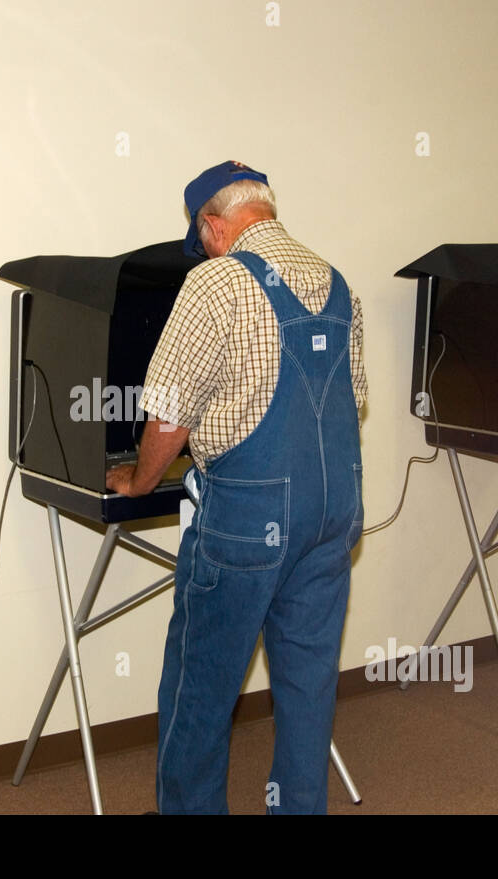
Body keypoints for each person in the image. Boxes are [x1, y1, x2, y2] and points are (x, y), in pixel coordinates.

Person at [106, 161, 365, 813]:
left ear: (213, 226)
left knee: (201, 685)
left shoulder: (216, 280)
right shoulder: (338, 285)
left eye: (203, 235)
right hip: (333, 512)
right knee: (307, 686)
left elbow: (168, 411)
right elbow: (352, 402)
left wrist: (140, 480)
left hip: (249, 514)